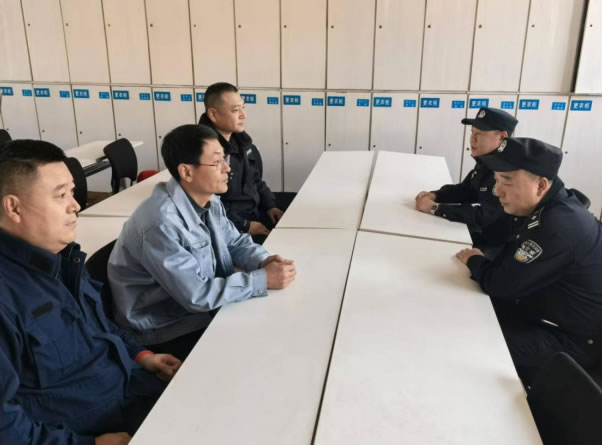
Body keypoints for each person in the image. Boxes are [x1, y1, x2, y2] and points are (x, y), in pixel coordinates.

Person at [0, 140, 181, 444]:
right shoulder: (7, 296)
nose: (76, 205)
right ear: (14, 208)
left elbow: (99, 329)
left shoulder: (62, 258)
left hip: (133, 392)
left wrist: (140, 355)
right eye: (61, 195)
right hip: (90, 430)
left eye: (72, 192)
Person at [108, 124, 296, 361]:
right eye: (216, 162)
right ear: (186, 172)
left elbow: (235, 242)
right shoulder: (161, 224)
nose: (227, 168)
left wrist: (263, 262)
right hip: (165, 328)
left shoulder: (208, 198)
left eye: (224, 158)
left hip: (198, 310)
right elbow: (196, 295)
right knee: (261, 349)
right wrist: (262, 279)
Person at [455, 137, 602, 385]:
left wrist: (475, 260)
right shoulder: (552, 206)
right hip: (542, 311)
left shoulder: (557, 227)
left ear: (541, 185)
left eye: (507, 181)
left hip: (569, 342)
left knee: (468, 345)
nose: (497, 191)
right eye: (496, 179)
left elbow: (500, 284)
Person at [198, 82, 295, 244]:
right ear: (213, 114)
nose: (243, 115)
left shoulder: (240, 140)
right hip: (230, 227)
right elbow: (207, 205)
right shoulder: (204, 151)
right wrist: (246, 226)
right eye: (236, 110)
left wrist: (270, 205)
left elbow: (254, 179)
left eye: (243, 107)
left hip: (253, 210)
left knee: (297, 211)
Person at [416, 107, 519, 251]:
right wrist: (436, 195)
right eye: (472, 132)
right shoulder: (486, 161)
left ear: (502, 137)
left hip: (498, 246)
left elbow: (486, 215)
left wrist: (435, 208)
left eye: (480, 134)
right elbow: (467, 190)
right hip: (482, 234)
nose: (473, 139)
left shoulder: (508, 172)